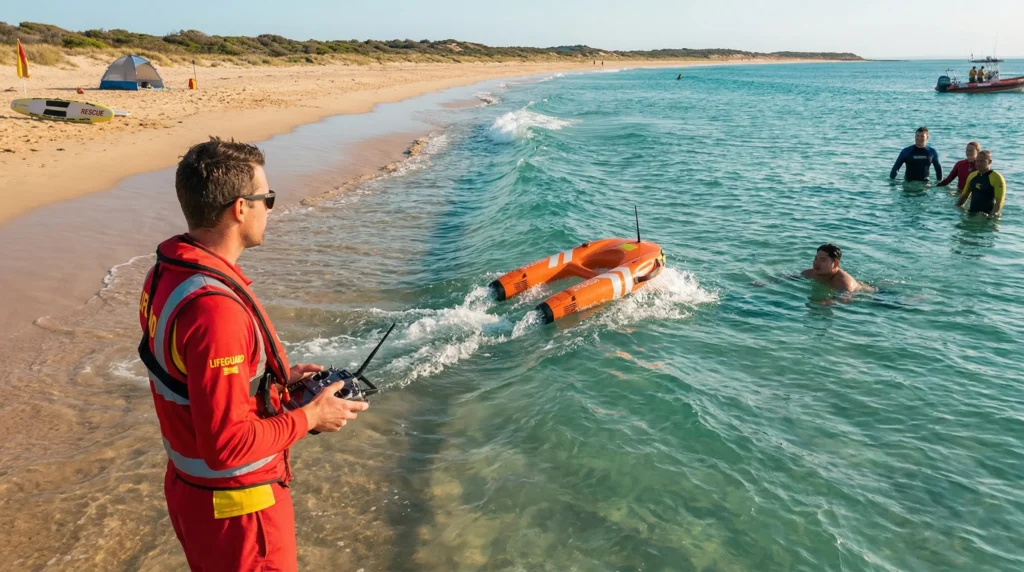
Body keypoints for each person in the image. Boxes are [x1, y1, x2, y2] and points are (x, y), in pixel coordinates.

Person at [137, 138, 369, 571]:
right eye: (268, 199)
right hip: (239, 515)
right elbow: (226, 445)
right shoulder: (216, 311)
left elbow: (185, 376)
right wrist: (311, 417)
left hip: (194, 495)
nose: (270, 210)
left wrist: (264, 379)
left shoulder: (167, 273)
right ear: (240, 208)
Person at [801, 244, 874, 293]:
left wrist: (828, 302)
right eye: (816, 258)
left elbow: (846, 300)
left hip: (875, 296)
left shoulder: (845, 284)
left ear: (836, 264)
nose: (816, 263)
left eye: (822, 260)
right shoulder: (810, 273)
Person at [956, 150, 1006, 216]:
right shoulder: (972, 176)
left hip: (987, 216)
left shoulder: (997, 177)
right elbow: (964, 195)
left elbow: (999, 201)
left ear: (989, 162)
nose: (978, 163)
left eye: (982, 161)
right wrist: (955, 209)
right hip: (971, 214)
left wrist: (992, 216)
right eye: (977, 161)